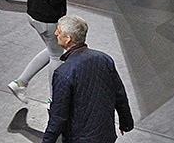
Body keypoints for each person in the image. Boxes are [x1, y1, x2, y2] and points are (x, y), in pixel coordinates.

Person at [42, 15, 134, 143]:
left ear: (68, 39)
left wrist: (47, 140)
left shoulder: (64, 72)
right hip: (105, 135)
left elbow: (58, 116)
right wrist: (126, 122)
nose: (56, 33)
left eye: (59, 31)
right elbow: (119, 94)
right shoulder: (104, 59)